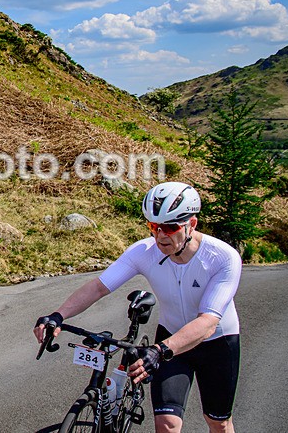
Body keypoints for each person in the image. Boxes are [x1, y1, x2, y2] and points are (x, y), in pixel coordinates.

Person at [33, 182, 241, 433]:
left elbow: (208, 322)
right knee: (167, 424)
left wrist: (160, 350)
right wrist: (58, 315)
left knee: (218, 423)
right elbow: (99, 287)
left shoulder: (222, 258)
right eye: (154, 227)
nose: (160, 235)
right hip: (170, 337)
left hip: (217, 343)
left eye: (170, 227)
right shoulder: (144, 251)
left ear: (192, 224)